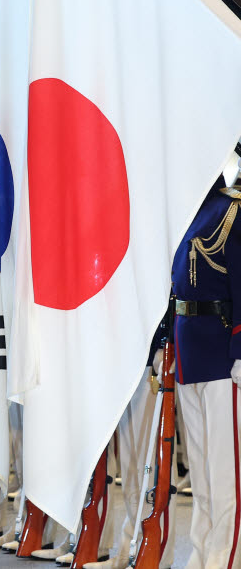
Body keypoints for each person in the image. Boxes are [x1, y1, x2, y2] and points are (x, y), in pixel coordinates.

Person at [172, 176, 241, 569]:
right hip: (189, 352)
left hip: (220, 355)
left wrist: (240, 351)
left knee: (225, 473)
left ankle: (226, 558)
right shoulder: (186, 211)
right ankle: (201, 553)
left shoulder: (232, 210)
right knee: (201, 475)